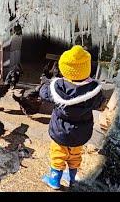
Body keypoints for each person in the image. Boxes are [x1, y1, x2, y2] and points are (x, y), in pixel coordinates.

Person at [39, 45, 103, 190]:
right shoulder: (93, 90)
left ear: (65, 69)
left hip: (60, 130)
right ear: (87, 68)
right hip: (81, 131)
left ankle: (55, 180)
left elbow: (43, 93)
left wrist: (45, 84)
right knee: (75, 154)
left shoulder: (57, 87)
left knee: (58, 153)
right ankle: (72, 179)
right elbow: (99, 103)